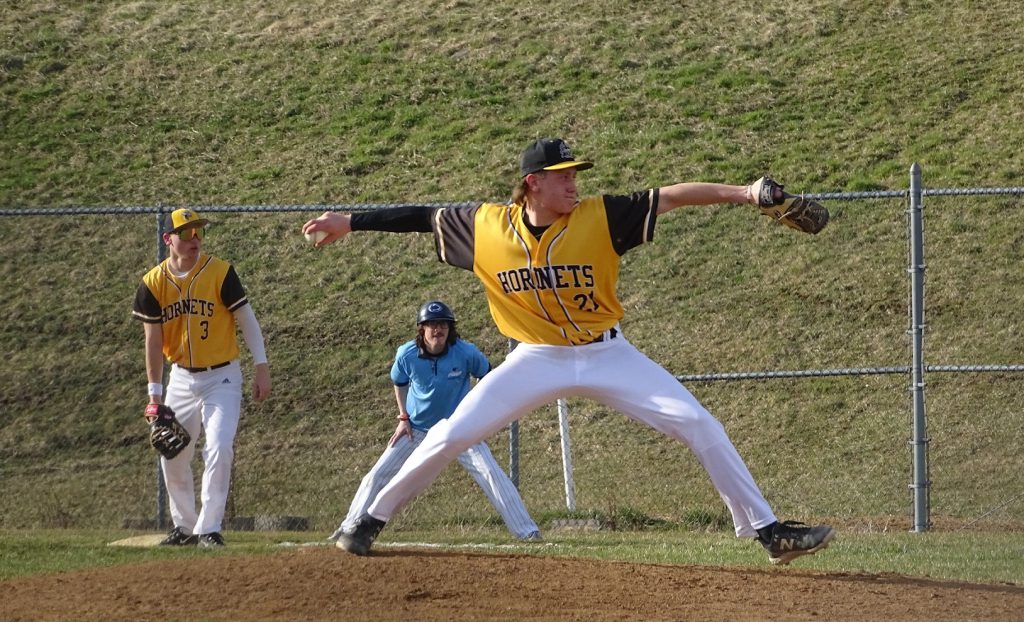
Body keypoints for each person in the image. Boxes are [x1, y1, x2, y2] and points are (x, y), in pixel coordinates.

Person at [302, 137, 835, 565]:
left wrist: (747, 192)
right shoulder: (486, 227)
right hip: (534, 358)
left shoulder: (600, 216)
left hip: (608, 355)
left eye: (576, 175)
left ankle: (768, 532)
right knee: (451, 434)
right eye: (564, 177)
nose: (575, 184)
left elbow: (670, 196)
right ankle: (368, 521)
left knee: (700, 424)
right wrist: (349, 222)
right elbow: (419, 216)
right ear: (533, 184)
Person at [328, 300, 541, 542]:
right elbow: (399, 383)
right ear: (422, 328)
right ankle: (349, 528)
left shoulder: (465, 352)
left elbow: (488, 375)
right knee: (377, 476)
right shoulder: (407, 354)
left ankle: (528, 532)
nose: (437, 330)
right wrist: (403, 417)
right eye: (431, 325)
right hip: (416, 430)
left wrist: (477, 415)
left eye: (443, 325)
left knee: (491, 473)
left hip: (458, 429)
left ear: (450, 329)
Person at [132, 208, 272, 547]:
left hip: (222, 376)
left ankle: (210, 527)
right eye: (187, 233)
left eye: (198, 232)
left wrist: (261, 365)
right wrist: (154, 396)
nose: (195, 239)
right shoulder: (153, 283)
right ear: (169, 239)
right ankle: (185, 526)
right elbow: (152, 341)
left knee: (220, 447)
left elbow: (247, 320)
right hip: (180, 378)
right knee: (173, 450)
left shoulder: (220, 273)